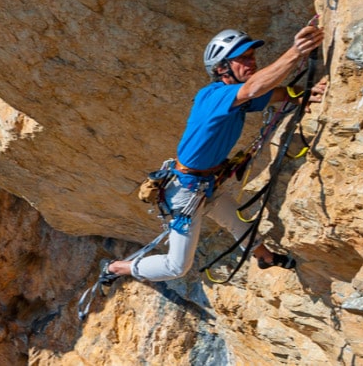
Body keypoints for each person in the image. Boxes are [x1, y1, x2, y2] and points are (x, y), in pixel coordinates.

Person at [106, 24, 327, 282]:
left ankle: (264, 256)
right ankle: (117, 268)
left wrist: (302, 95)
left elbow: (273, 94)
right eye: (243, 58)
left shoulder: (236, 98)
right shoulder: (213, 96)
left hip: (206, 184)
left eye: (252, 57)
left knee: (237, 222)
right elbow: (255, 88)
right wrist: (296, 52)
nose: (251, 63)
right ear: (222, 68)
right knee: (176, 267)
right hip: (185, 192)